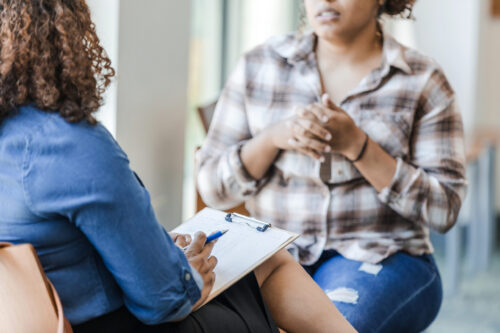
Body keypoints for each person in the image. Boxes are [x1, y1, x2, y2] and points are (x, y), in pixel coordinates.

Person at [0, 1, 356, 333]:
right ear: (63, 32)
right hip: (121, 322)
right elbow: (164, 301)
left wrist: (154, 251)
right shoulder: (73, 144)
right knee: (270, 260)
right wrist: (183, 273)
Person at [196, 0, 467, 332]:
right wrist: (271, 139)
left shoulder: (422, 79)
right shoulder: (259, 65)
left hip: (383, 255)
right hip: (273, 254)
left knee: (334, 325)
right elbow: (210, 187)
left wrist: (359, 146)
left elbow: (445, 210)